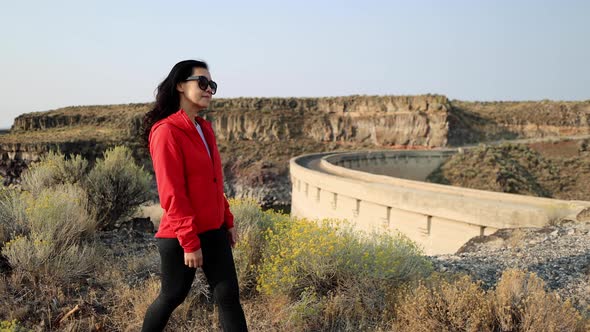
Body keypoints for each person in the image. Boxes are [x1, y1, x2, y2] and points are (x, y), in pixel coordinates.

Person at [141, 60, 248, 332]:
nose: (209, 89)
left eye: (212, 85)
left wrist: (228, 219)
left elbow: (215, 182)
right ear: (180, 85)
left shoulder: (204, 128)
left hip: (214, 230)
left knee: (229, 297)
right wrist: (189, 242)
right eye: (202, 83)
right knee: (172, 296)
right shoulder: (165, 131)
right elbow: (172, 193)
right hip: (180, 236)